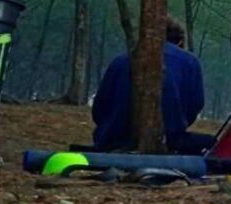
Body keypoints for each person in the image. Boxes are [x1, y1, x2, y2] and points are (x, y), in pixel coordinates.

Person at [92, 17, 215, 155]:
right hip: (169, 139)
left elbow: (99, 108)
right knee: (210, 142)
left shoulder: (121, 60)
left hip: (113, 138)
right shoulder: (190, 62)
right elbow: (195, 104)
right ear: (180, 41)